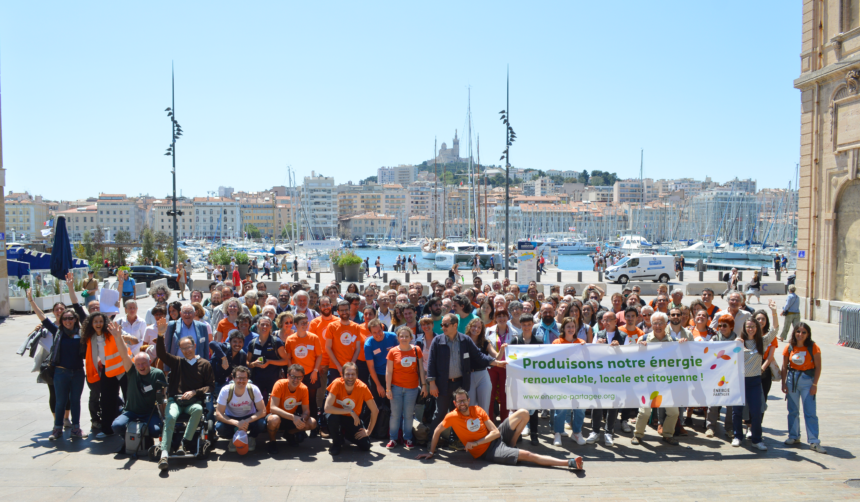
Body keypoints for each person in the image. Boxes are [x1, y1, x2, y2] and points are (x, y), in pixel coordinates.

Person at [416, 389, 583, 470]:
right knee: (528, 456)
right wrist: (431, 452)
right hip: (488, 451)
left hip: (495, 438)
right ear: (455, 404)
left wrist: (476, 442)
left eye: (464, 400)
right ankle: (569, 463)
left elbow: (495, 432)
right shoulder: (452, 416)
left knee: (524, 413)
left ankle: (511, 443)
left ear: (468, 399)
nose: (462, 404)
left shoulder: (477, 410)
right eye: (458, 401)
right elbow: (437, 430)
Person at [427, 313, 506, 448]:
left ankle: (456, 441)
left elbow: (479, 356)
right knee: (440, 413)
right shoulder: (438, 340)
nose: (442, 327)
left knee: (459, 414)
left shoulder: (465, 340)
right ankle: (431, 441)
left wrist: (495, 362)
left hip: (460, 384)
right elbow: (431, 362)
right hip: (443, 384)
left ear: (455, 325)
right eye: (442, 325)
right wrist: (432, 383)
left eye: (445, 325)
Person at [155, 321, 214, 469]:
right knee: (170, 417)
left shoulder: (205, 364)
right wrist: (161, 335)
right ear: (180, 350)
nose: (187, 350)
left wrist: (195, 392)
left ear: (194, 346)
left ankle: (185, 442)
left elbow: (210, 386)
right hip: (176, 400)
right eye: (183, 348)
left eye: (189, 347)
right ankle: (164, 455)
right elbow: (161, 354)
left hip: (193, 401)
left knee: (198, 410)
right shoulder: (177, 362)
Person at [631, 312, 691, 445]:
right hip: (648, 382)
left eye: (660, 323)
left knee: (673, 412)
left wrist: (683, 344)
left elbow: (685, 357)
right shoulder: (644, 339)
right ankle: (638, 435)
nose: (657, 326)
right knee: (644, 412)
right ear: (651, 325)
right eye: (655, 323)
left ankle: (668, 434)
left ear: (666, 324)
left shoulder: (673, 341)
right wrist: (639, 348)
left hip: (667, 383)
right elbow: (634, 360)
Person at [109, 322, 167, 450]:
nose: (141, 366)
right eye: (138, 364)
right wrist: (118, 337)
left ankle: (146, 441)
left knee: (156, 431)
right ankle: (129, 442)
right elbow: (124, 354)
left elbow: (163, 396)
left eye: (144, 363)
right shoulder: (131, 371)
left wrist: (164, 416)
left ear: (149, 362)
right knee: (116, 426)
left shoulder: (157, 374)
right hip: (131, 412)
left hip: (149, 413)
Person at [732, 315, 777, 450]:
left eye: (753, 326)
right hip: (739, 381)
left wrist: (774, 311)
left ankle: (757, 440)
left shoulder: (761, 342)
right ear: (744, 328)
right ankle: (737, 436)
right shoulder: (739, 342)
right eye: (748, 327)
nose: (750, 329)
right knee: (737, 411)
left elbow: (775, 329)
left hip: (755, 381)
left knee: (756, 411)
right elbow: (729, 357)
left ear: (757, 328)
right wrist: (734, 344)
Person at [781, 323, 825, 453]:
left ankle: (814, 441)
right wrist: (783, 383)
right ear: (794, 333)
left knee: (810, 412)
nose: (800, 334)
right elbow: (784, 366)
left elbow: (818, 367)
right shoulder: (789, 347)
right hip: (792, 380)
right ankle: (794, 436)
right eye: (798, 331)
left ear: (808, 334)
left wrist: (815, 384)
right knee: (793, 410)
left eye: (804, 332)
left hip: (807, 382)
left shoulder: (813, 347)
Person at [324, 362, 379, 455]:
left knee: (365, 446)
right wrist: (349, 410)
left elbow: (375, 410)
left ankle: (345, 434)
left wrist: (368, 431)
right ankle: (336, 443)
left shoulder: (362, 387)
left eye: (353, 374)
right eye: (347, 374)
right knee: (332, 419)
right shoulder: (337, 383)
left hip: (353, 419)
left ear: (357, 375)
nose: (350, 377)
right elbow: (327, 408)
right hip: (336, 415)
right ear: (342, 375)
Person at [385, 327, 428, 448]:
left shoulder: (416, 349)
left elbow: (421, 369)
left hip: (412, 388)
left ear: (411, 337)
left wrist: (424, 385)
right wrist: (388, 389)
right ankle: (393, 438)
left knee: (409, 414)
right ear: (398, 338)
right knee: (395, 414)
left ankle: (407, 438)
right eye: (401, 336)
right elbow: (388, 371)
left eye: (406, 336)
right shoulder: (393, 351)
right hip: (396, 387)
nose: (404, 338)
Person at [214, 366, 268, 453]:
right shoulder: (225, 390)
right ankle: (232, 438)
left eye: (244, 378)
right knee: (219, 427)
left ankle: (251, 438)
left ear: (248, 379)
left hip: (249, 418)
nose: (241, 381)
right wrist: (236, 423)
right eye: (239, 378)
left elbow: (263, 411)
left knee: (262, 423)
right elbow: (218, 414)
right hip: (231, 418)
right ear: (233, 378)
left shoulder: (253, 389)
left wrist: (246, 421)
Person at [266, 364, 318, 453]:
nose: (295, 380)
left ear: (302, 378)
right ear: (287, 376)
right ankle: (272, 441)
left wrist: (302, 420)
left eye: (299, 377)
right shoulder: (280, 384)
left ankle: (289, 434)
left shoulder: (304, 388)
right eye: (293, 376)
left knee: (312, 423)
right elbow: (273, 408)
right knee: (274, 419)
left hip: (291, 418)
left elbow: (306, 411)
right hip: (275, 416)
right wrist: (294, 418)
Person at [284, 313, 322, 432]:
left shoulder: (314, 337)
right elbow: (288, 358)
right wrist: (292, 374)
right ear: (295, 324)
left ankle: (314, 427)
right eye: (302, 323)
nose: (305, 325)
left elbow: (319, 356)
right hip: (296, 376)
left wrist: (315, 371)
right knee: (298, 400)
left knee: (312, 400)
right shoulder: (290, 339)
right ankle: (300, 428)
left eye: (306, 322)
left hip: (311, 374)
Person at [246, 316, 288, 405]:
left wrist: (269, 361)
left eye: (267, 325)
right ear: (258, 326)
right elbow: (247, 362)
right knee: (257, 405)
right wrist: (253, 364)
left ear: (270, 327)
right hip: (257, 379)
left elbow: (286, 361)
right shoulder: (252, 343)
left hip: (274, 379)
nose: (264, 327)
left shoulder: (276, 342)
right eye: (262, 324)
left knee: (273, 405)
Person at [209, 330, 247, 399]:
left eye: (240, 342)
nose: (237, 344)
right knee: (210, 409)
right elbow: (212, 343)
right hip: (211, 383)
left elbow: (244, 371)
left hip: (225, 384)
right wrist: (224, 358)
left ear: (243, 344)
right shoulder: (224, 347)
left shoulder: (242, 355)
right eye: (234, 341)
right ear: (230, 342)